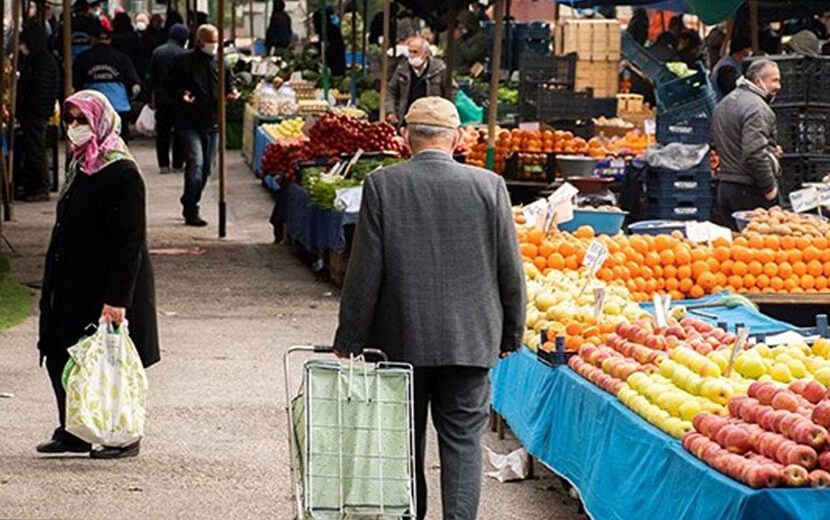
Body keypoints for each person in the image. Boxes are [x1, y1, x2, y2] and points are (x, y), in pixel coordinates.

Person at [334, 97, 525, 520]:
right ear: (457, 138)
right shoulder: (489, 186)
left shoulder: (384, 185)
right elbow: (510, 269)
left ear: (406, 138)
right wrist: (512, 332)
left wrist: (349, 338)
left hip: (400, 339)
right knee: (462, 444)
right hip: (470, 341)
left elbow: (364, 270)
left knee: (404, 443)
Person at [36, 90, 159, 459]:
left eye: (82, 121)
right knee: (63, 353)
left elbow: (129, 242)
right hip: (71, 279)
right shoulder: (81, 164)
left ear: (100, 123)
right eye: (70, 120)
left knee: (108, 361)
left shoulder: (119, 170)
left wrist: (117, 299)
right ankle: (74, 429)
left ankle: (122, 434)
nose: (74, 128)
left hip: (104, 283)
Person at [168, 24, 235, 227]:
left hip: (213, 122)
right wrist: (182, 94)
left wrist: (231, 95)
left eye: (216, 42)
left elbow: (229, 88)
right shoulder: (183, 61)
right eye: (209, 42)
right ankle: (191, 209)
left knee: (206, 169)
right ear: (199, 41)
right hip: (188, 122)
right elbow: (170, 85)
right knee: (196, 164)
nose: (213, 46)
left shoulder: (223, 63)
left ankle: (189, 198)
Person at [711, 59, 783, 229]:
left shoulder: (724, 103)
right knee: (759, 249)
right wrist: (769, 188)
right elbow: (754, 153)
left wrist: (771, 150)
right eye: (774, 80)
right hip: (750, 190)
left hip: (726, 188)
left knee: (738, 249)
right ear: (758, 81)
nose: (779, 86)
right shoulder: (758, 108)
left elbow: (725, 140)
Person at [73, 25, 141, 141]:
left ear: (93, 40)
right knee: (120, 143)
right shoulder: (122, 58)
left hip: (92, 108)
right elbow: (135, 85)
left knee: (93, 142)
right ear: (110, 40)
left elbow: (75, 84)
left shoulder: (82, 58)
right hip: (118, 107)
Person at [16, 21, 59, 202]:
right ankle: (32, 185)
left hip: (36, 112)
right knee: (33, 148)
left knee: (36, 149)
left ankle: (41, 187)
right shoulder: (40, 59)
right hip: (36, 111)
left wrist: (27, 107)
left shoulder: (42, 61)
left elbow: (40, 90)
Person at [385, 36, 455, 126]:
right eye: (410, 51)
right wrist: (390, 111)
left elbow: (451, 90)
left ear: (426, 53)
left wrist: (445, 113)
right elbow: (391, 90)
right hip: (407, 119)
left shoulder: (439, 69)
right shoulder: (402, 69)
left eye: (415, 52)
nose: (412, 55)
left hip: (432, 120)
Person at [150, 23, 188, 174]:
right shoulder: (184, 54)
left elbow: (151, 76)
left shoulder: (157, 52)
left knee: (163, 133)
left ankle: (163, 164)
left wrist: (151, 97)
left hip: (161, 98)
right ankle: (178, 164)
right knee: (179, 132)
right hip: (179, 100)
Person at [712, 32, 753, 100]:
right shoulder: (727, 68)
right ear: (742, 50)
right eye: (748, 50)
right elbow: (731, 91)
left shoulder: (734, 62)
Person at [312, 6, 346, 76]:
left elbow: (332, 50)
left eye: (315, 21)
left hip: (335, 68)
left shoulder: (331, 32)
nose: (314, 24)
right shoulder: (327, 31)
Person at [111, 12, 145, 82]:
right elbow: (140, 57)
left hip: (115, 71)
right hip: (133, 70)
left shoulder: (112, 39)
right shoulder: (134, 38)